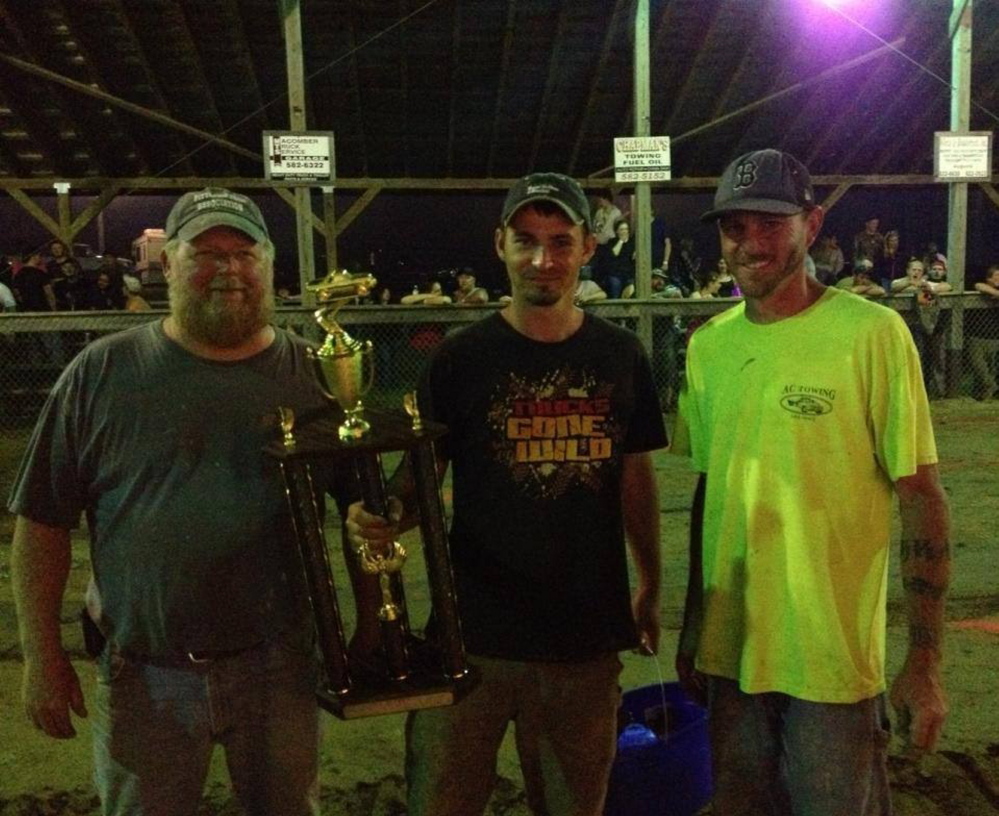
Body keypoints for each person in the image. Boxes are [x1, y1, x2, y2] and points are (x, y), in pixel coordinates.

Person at [8, 187, 347, 815]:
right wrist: (41, 656)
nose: (229, 270)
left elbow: (363, 509)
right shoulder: (100, 373)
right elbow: (41, 523)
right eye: (206, 253)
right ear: (167, 266)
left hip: (278, 667)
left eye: (245, 253)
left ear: (270, 267)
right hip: (144, 673)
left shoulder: (316, 372)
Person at [347, 172, 667, 816]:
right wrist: (384, 518)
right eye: (526, 241)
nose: (542, 260)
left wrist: (650, 584)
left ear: (586, 249)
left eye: (559, 241)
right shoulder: (460, 358)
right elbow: (420, 478)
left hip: (583, 638)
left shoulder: (622, 354)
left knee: (575, 805)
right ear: (500, 245)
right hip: (471, 638)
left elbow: (635, 478)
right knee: (443, 800)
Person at [673, 149, 951, 816]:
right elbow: (712, 491)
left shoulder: (871, 335)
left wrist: (924, 660)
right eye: (734, 227)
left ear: (812, 224)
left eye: (771, 223)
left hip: (828, 660)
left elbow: (921, 497)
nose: (751, 242)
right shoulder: (706, 346)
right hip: (731, 651)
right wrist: (693, 626)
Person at [966, 264, 999, 400]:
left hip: (995, 338)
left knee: (991, 368)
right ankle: (992, 386)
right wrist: (996, 293)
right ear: (989, 278)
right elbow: (979, 286)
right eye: (996, 276)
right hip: (977, 337)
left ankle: (984, 396)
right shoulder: (982, 288)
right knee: (978, 367)